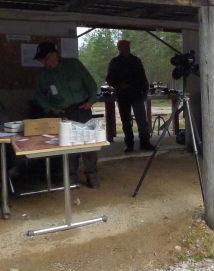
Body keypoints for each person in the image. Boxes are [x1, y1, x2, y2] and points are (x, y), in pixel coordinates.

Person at [32, 41, 100, 188]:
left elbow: (91, 84)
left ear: (55, 54)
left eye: (47, 59)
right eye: (42, 61)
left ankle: (92, 175)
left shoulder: (74, 65)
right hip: (63, 113)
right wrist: (50, 108)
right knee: (67, 146)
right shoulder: (44, 75)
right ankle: (70, 178)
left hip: (82, 110)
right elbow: (39, 95)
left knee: (88, 144)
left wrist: (91, 101)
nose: (45, 63)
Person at [106, 40, 155, 153]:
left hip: (137, 94)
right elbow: (109, 79)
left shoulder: (136, 60)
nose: (127, 48)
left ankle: (145, 143)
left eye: (128, 46)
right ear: (120, 48)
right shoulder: (115, 62)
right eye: (124, 46)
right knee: (126, 121)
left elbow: (143, 77)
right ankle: (129, 145)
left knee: (142, 120)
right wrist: (119, 84)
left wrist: (145, 91)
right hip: (123, 96)